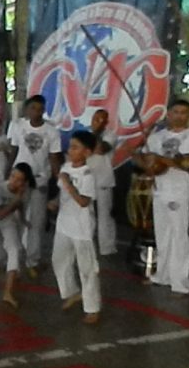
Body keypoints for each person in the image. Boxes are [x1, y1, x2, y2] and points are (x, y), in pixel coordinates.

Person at [137, 100, 189, 296]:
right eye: (176, 112)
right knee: (162, 235)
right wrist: (142, 157)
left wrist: (158, 159)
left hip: (179, 192)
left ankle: (180, 283)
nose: (180, 116)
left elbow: (185, 163)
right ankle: (162, 276)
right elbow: (146, 161)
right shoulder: (156, 137)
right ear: (168, 114)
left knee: (179, 236)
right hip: (160, 190)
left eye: (184, 112)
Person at [8, 95, 62, 278]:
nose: (36, 112)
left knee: (37, 222)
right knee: (15, 220)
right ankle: (13, 261)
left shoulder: (51, 132)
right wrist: (7, 175)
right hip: (19, 179)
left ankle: (33, 260)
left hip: (40, 179)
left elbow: (54, 158)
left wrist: (58, 181)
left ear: (44, 110)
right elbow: (13, 150)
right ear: (27, 109)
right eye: (33, 108)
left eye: (40, 109)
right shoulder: (18, 126)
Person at [51, 131, 101, 324]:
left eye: (75, 147)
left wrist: (67, 182)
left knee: (86, 268)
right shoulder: (66, 167)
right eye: (70, 146)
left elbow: (83, 202)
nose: (70, 150)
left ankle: (92, 308)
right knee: (59, 260)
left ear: (86, 152)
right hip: (64, 223)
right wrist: (55, 201)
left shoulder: (88, 175)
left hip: (82, 227)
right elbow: (62, 193)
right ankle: (72, 292)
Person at [0, 163, 34, 309]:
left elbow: (20, 205)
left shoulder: (25, 191)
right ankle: (9, 266)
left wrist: (23, 219)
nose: (13, 181)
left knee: (14, 249)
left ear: (24, 183)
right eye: (12, 176)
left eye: (18, 180)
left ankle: (8, 292)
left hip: (8, 220)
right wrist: (17, 199)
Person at [87, 109, 117, 255]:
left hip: (104, 179)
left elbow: (100, 149)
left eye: (101, 120)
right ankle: (88, 245)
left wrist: (97, 132)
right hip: (87, 179)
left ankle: (107, 247)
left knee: (105, 214)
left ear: (106, 122)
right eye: (96, 119)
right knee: (87, 214)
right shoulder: (84, 134)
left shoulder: (110, 135)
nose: (98, 122)